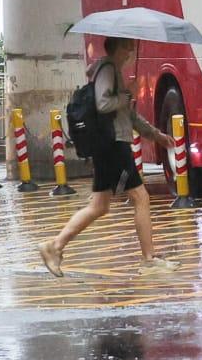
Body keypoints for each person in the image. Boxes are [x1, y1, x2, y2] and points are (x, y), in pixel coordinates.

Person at [39, 37, 177, 276]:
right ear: (119, 48)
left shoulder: (111, 71)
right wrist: (127, 94)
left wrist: (156, 135)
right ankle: (148, 259)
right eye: (128, 46)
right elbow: (104, 104)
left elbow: (128, 117)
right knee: (140, 197)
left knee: (99, 206)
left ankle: (55, 246)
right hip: (113, 145)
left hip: (110, 144)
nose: (132, 51)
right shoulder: (108, 69)